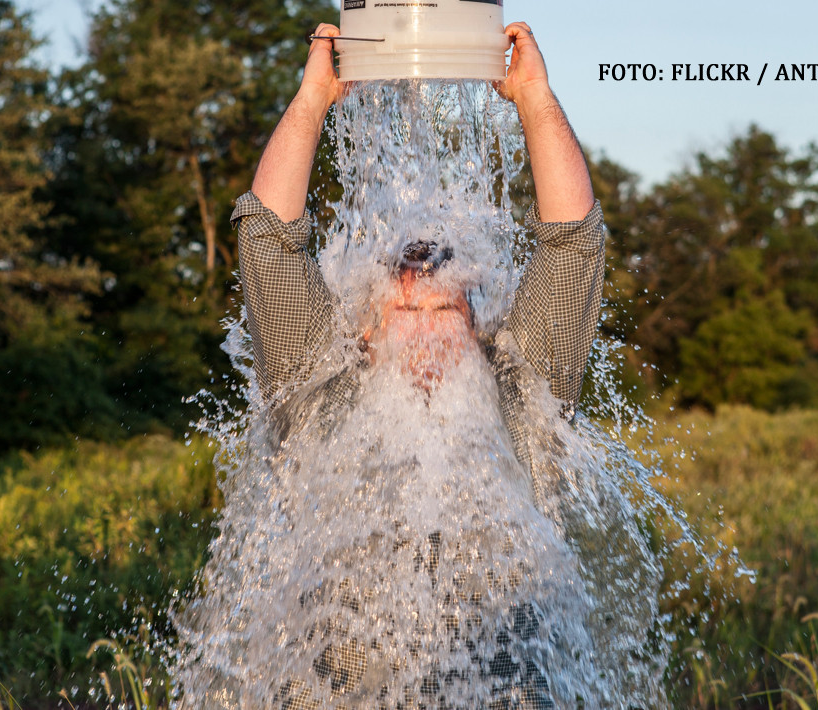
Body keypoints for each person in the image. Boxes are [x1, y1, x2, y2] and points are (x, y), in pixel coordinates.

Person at [224, 20, 610, 709]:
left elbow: (573, 246)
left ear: (477, 323)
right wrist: (312, 102)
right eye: (406, 318)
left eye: (443, 316)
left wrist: (535, 99)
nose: (427, 337)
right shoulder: (317, 395)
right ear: (367, 332)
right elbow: (268, 241)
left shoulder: (523, 395)